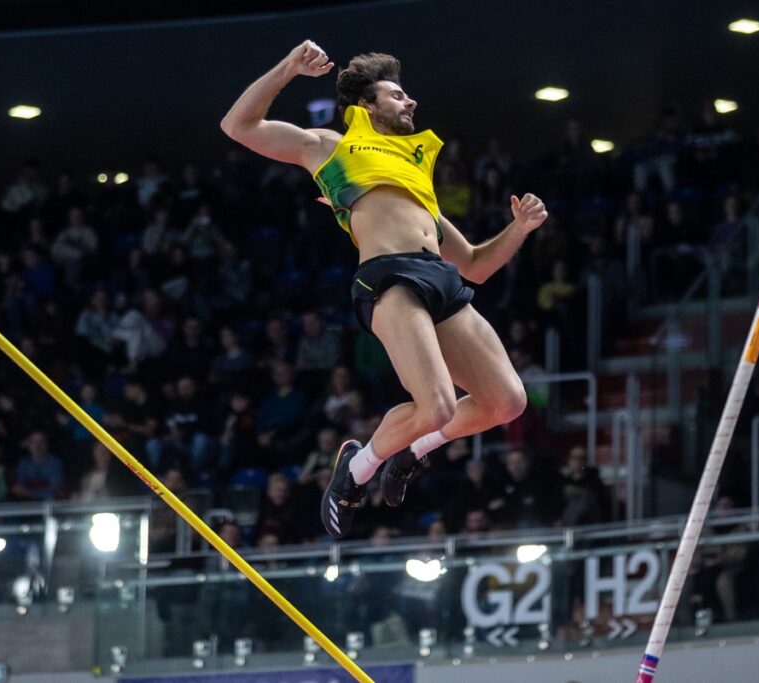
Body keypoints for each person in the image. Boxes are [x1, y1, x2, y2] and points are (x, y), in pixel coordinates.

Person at [223, 41, 544, 539]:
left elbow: (477, 265)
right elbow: (237, 126)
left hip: (439, 276)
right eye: (397, 94)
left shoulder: (416, 174)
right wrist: (288, 68)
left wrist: (519, 229)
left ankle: (411, 451)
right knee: (436, 404)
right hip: (388, 276)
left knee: (506, 401)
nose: (410, 101)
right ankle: (357, 467)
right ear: (366, 106)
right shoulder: (330, 147)